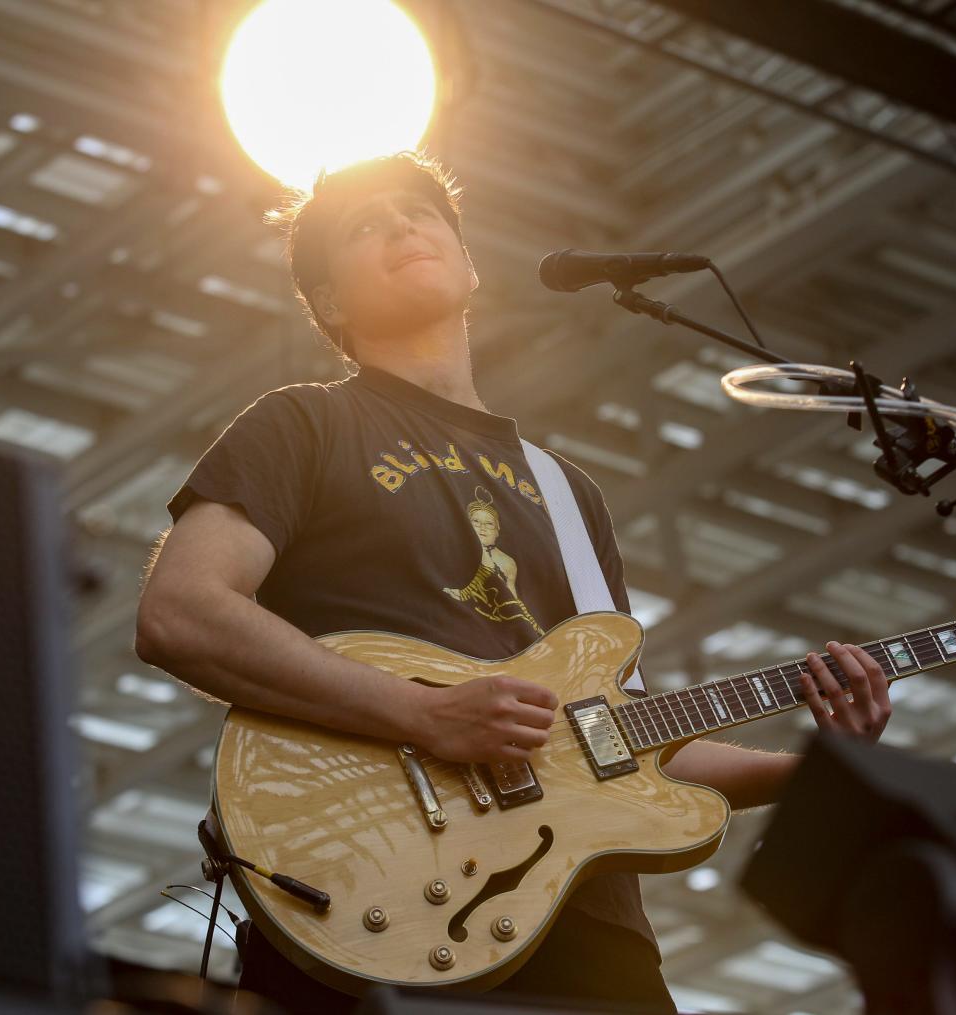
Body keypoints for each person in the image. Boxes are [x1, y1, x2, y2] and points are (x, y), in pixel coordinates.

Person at [135, 151, 893, 1013]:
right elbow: (181, 611)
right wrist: (424, 714)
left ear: (469, 264)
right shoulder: (303, 423)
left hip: (588, 935)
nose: (402, 225)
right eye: (364, 224)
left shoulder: (571, 494)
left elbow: (624, 739)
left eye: (421, 212)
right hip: (365, 905)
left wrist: (820, 770)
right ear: (330, 304)